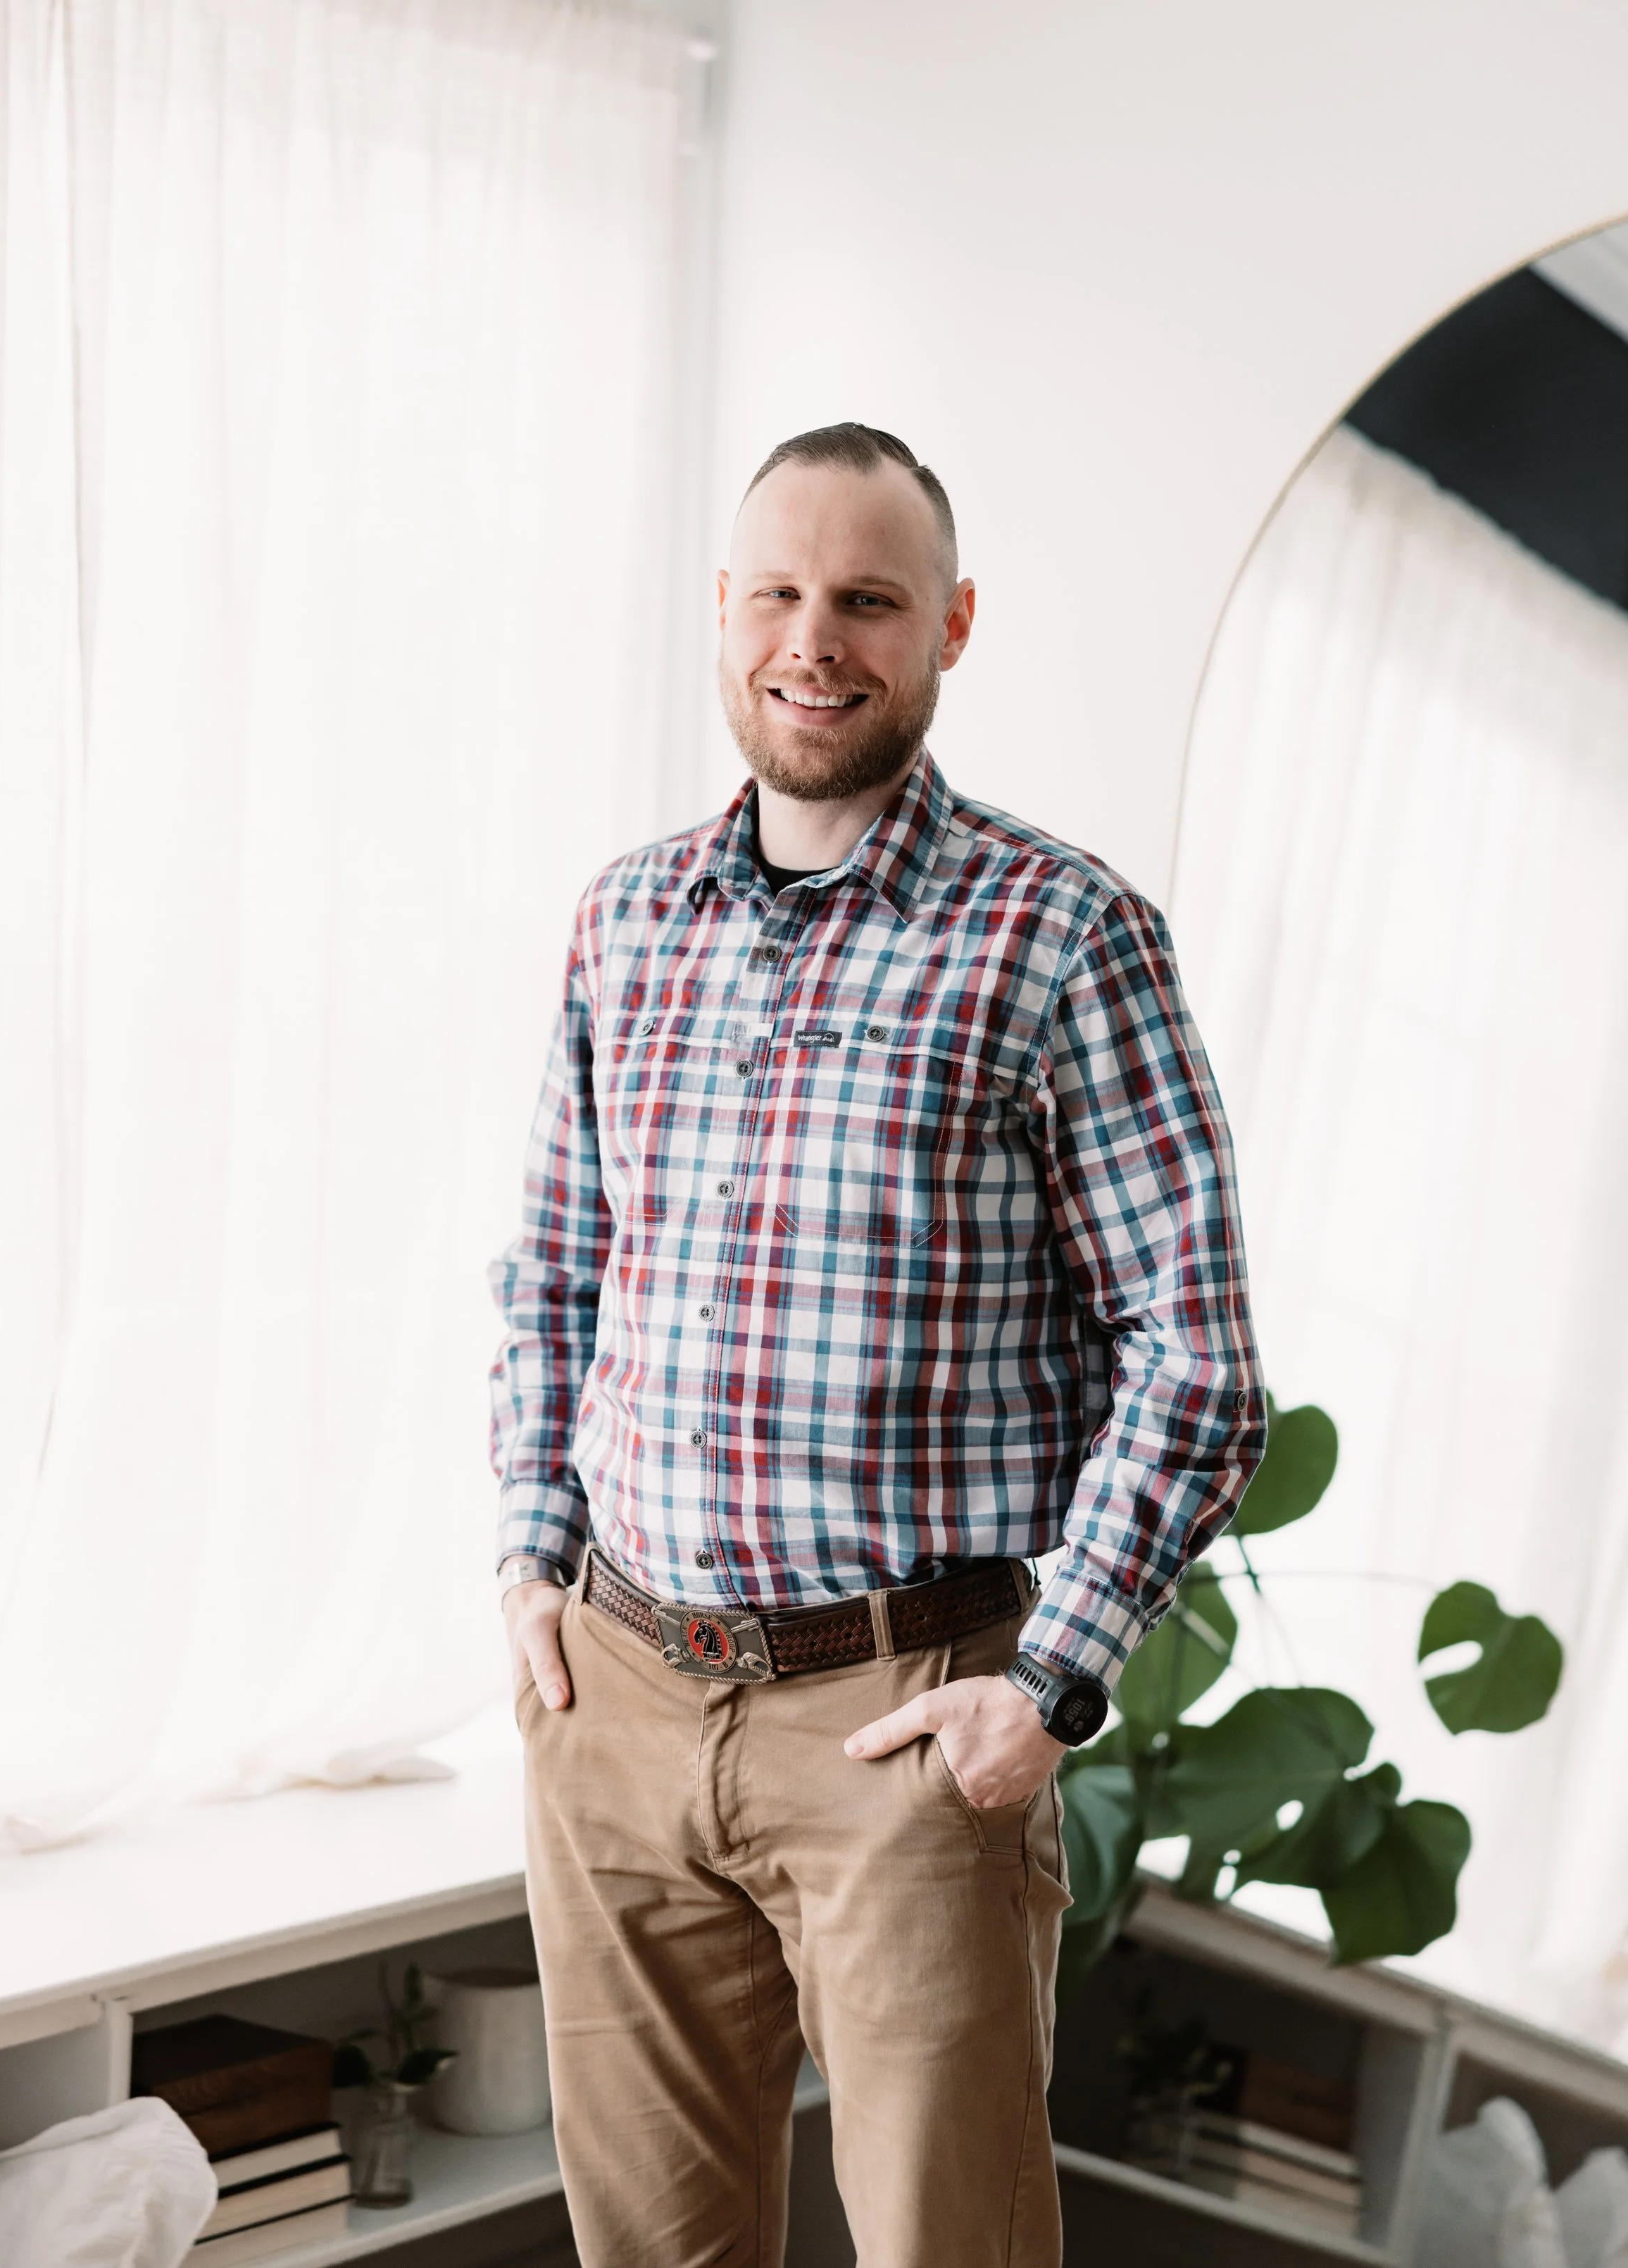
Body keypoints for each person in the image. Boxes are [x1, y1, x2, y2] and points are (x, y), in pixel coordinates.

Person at [489, 422, 1264, 2268]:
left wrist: (1048, 1677)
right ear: (722, 610)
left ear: (949, 626)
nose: (811, 637)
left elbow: (1198, 1352)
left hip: (902, 1723)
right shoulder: (626, 918)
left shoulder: (1065, 932)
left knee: (950, 2248)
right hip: (614, 1691)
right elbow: (552, 1261)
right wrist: (527, 1541)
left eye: (866, 599)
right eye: (777, 590)